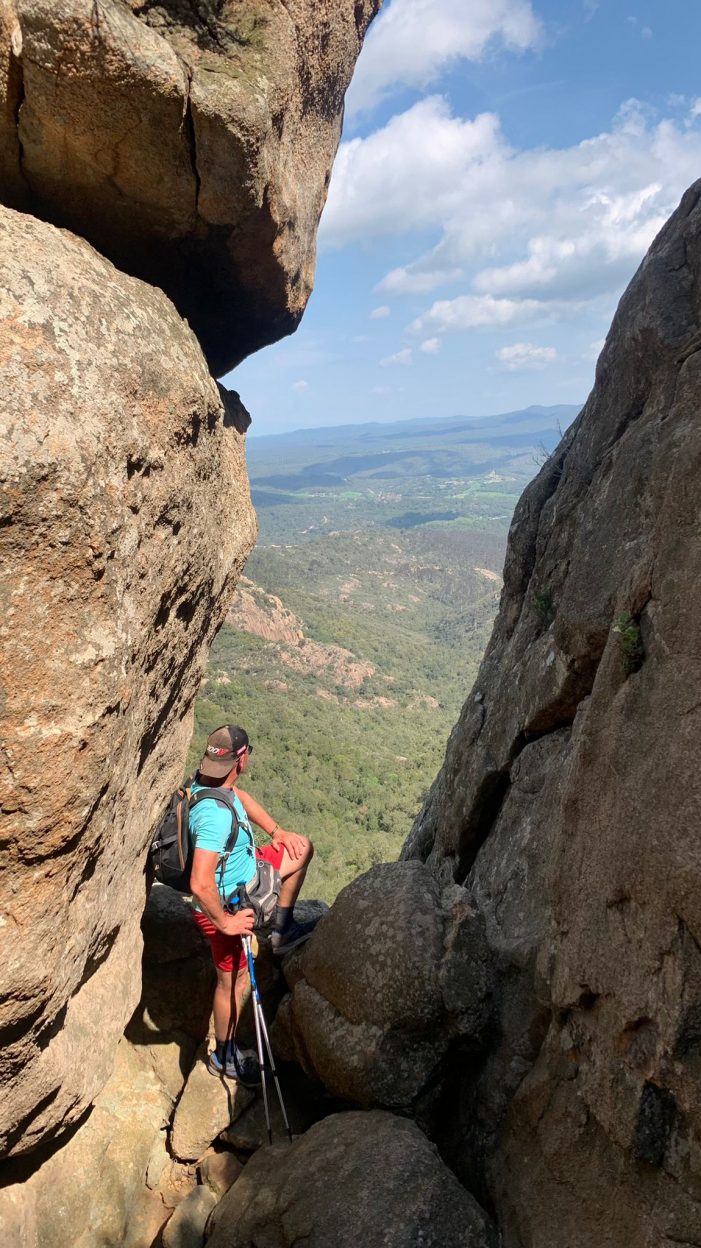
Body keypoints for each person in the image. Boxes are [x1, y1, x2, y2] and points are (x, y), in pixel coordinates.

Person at [189, 723, 316, 1083]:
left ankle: (281, 931)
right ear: (240, 759)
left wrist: (278, 833)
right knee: (234, 981)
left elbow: (239, 797)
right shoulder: (214, 817)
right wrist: (226, 923)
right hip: (227, 903)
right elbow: (200, 882)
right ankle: (224, 1056)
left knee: (301, 847)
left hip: (246, 867)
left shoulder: (209, 781)